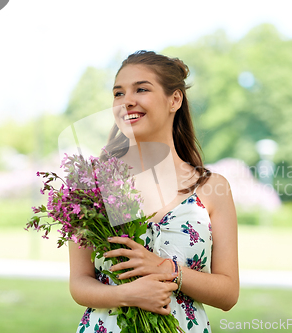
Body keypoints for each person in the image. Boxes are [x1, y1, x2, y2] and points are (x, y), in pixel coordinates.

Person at [68, 50, 239, 333]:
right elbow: (79, 282)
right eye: (118, 93)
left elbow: (229, 293)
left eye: (142, 89)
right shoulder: (92, 185)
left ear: (175, 99)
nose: (127, 101)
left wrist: (167, 269)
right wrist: (126, 295)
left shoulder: (212, 189)